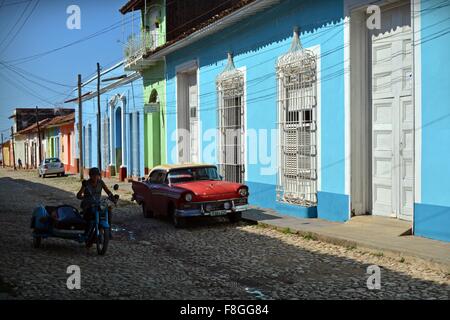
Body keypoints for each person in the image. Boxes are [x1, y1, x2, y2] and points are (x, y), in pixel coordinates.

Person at [76, 167, 115, 239]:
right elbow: (78, 195)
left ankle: (108, 232)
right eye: (93, 175)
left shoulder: (101, 182)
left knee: (108, 211)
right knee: (90, 218)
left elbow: (107, 191)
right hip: (87, 205)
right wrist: (84, 191)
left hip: (97, 204)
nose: (95, 177)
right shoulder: (86, 183)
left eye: (97, 175)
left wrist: (112, 197)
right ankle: (86, 233)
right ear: (90, 176)